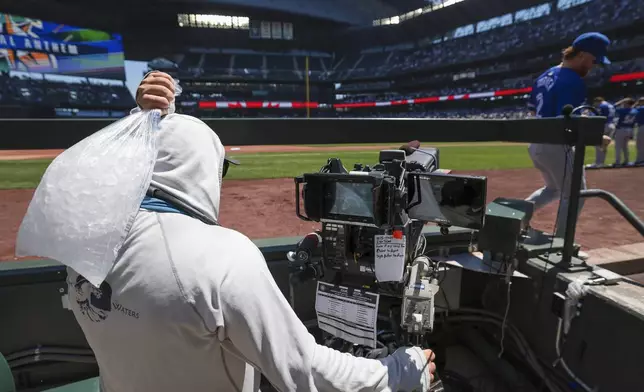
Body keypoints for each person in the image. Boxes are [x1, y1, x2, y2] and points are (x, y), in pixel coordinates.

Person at [66, 71, 437, 392]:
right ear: (198, 169)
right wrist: (401, 371)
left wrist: (148, 124)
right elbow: (305, 374)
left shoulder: (86, 239)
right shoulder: (222, 258)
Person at [525, 32, 611, 246]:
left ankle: (513, 218)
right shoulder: (572, 80)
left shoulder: (544, 76)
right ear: (581, 55)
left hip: (536, 143)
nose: (592, 66)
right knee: (576, 193)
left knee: (553, 189)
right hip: (556, 143)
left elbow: (533, 111)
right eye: (593, 60)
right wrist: (597, 137)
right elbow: (568, 120)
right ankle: (562, 244)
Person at [589, 96, 615, 168]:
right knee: (604, 145)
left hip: (604, 125)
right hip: (611, 124)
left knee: (598, 143)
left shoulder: (602, 105)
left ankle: (598, 163)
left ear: (597, 101)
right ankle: (601, 162)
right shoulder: (610, 105)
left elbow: (599, 116)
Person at [612, 97, 640, 166]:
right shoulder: (635, 111)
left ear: (627, 103)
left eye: (625, 102)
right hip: (630, 129)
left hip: (621, 129)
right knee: (625, 147)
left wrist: (621, 101)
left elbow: (613, 107)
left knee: (618, 146)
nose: (623, 103)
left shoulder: (622, 110)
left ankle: (617, 162)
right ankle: (626, 161)